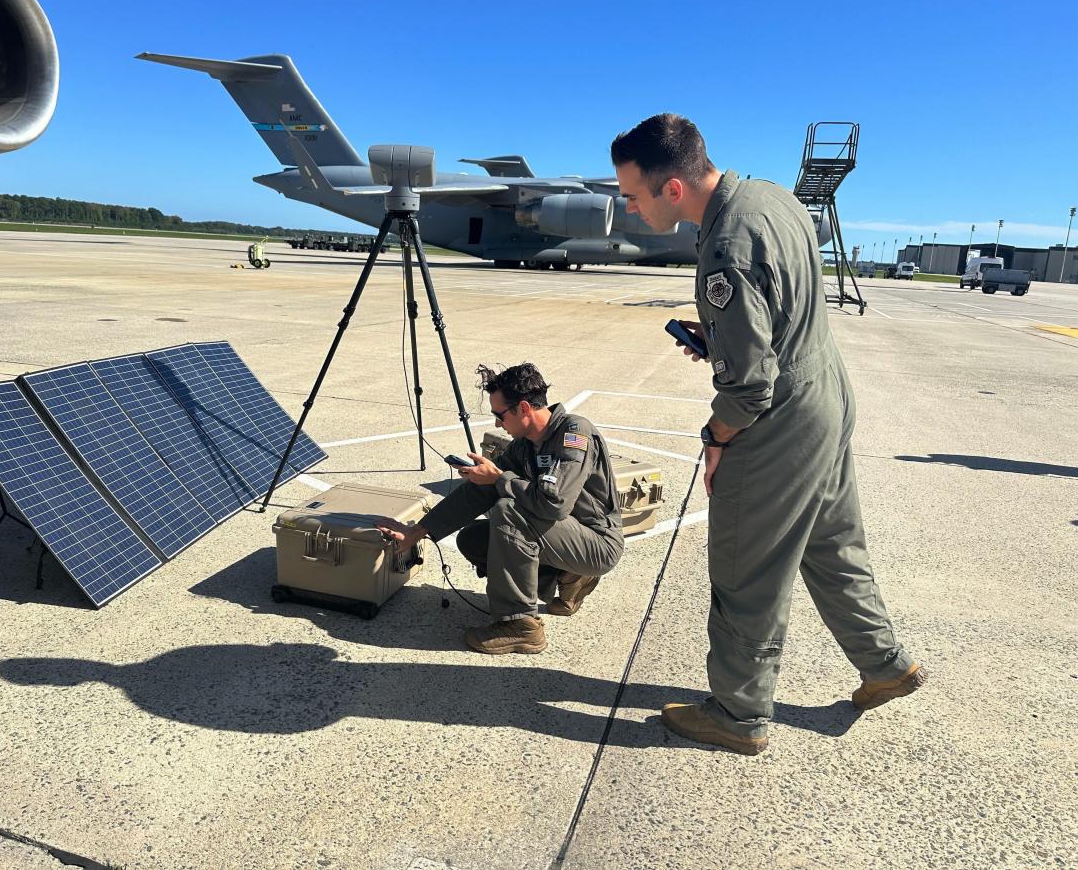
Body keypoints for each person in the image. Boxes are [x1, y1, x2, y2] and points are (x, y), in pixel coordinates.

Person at [610, 113, 925, 755]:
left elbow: (750, 389)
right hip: (827, 395)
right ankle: (885, 664)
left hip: (779, 420)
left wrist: (717, 439)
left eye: (634, 195)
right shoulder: (772, 198)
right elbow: (777, 314)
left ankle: (737, 712)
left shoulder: (725, 244)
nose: (630, 208)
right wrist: (723, 343)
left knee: (744, 568)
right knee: (833, 546)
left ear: (673, 188)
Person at [379, 364, 623, 654]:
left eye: (499, 415)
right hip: (563, 537)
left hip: (597, 542)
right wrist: (417, 532)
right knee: (473, 540)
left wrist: (499, 478)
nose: (497, 424)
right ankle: (567, 575)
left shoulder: (574, 433)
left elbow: (553, 503)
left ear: (522, 408)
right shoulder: (527, 445)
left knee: (509, 511)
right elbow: (479, 493)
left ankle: (520, 626)